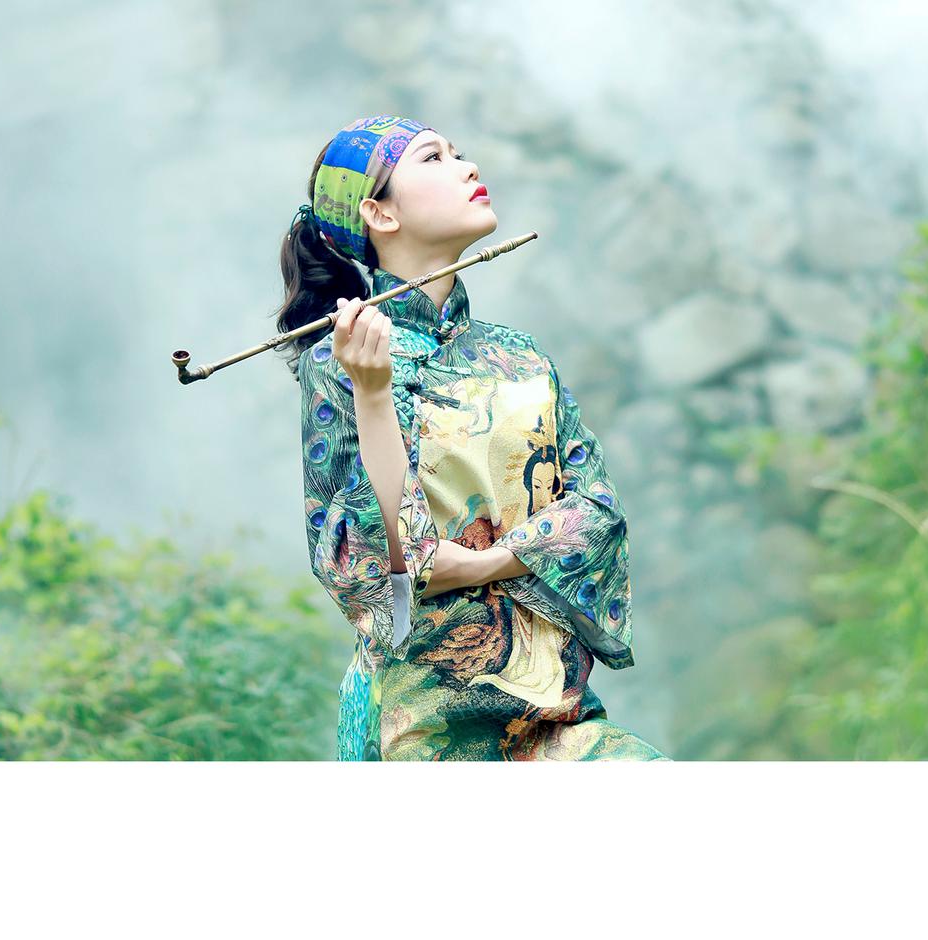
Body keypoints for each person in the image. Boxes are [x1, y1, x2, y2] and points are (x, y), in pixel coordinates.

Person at [276, 114, 669, 761]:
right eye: (434, 158)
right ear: (379, 213)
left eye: (459, 153)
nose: (469, 167)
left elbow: (598, 510)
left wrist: (486, 562)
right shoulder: (340, 364)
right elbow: (374, 565)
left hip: (556, 709)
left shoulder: (521, 356)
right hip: (428, 723)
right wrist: (373, 394)